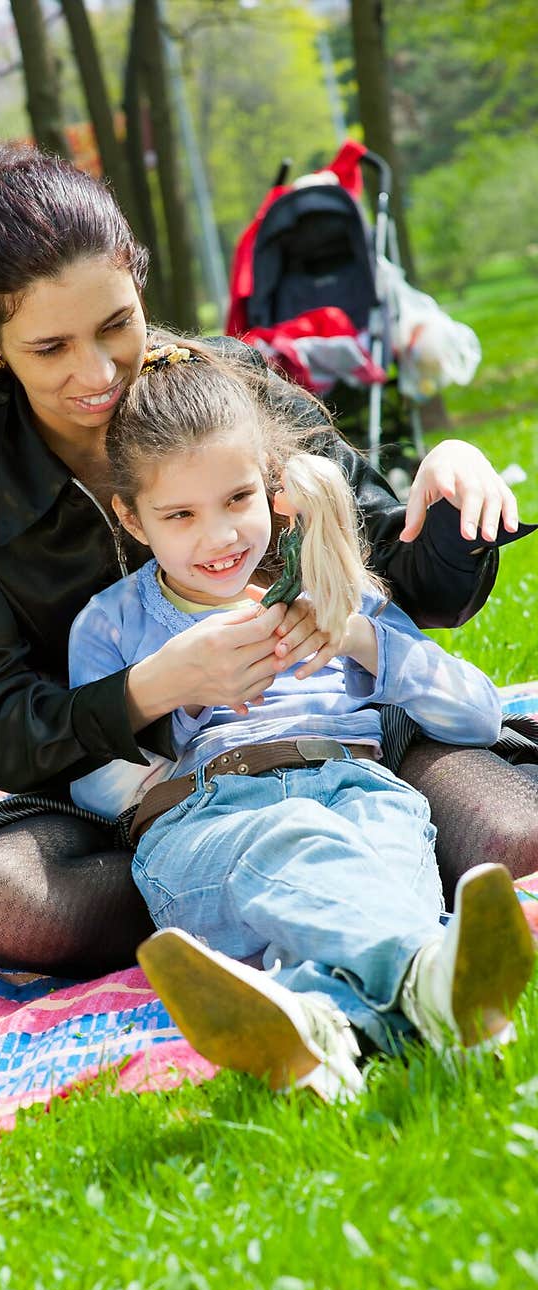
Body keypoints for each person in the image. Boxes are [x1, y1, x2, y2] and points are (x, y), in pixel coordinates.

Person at [0, 128, 538, 978]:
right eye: (50, 348)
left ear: (136, 273)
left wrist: (454, 499)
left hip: (344, 742)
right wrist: (162, 686)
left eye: (116, 324)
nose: (98, 373)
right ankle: (328, 901)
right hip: (135, 799)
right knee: (7, 904)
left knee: (513, 835)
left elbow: (403, 584)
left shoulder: (222, 382)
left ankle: (312, 904)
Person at [67, 338, 535, 1100]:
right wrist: (170, 705)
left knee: (375, 848)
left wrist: (357, 636)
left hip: (360, 792)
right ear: (133, 517)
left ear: (272, 487)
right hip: (213, 820)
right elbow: (93, 779)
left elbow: (480, 713)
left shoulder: (332, 592)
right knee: (297, 841)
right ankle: (435, 979)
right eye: (180, 514)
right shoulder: (115, 624)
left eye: (237, 501)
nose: (218, 537)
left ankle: (318, 1026)